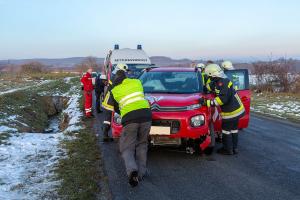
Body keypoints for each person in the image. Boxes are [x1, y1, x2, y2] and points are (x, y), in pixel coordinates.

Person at [102, 64, 152, 187]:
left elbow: (108, 107)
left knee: (127, 147)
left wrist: (122, 111)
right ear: (126, 75)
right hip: (146, 116)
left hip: (130, 119)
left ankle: (132, 171)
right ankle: (141, 173)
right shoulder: (137, 82)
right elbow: (140, 97)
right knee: (142, 144)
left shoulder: (114, 89)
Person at [203, 64, 245, 155]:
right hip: (236, 110)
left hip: (232, 112)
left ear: (212, 75)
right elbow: (211, 86)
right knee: (234, 130)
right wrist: (204, 88)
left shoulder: (223, 83)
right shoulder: (218, 81)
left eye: (209, 76)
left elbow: (222, 100)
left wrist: (206, 103)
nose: (209, 77)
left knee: (226, 130)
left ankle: (227, 150)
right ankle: (234, 148)